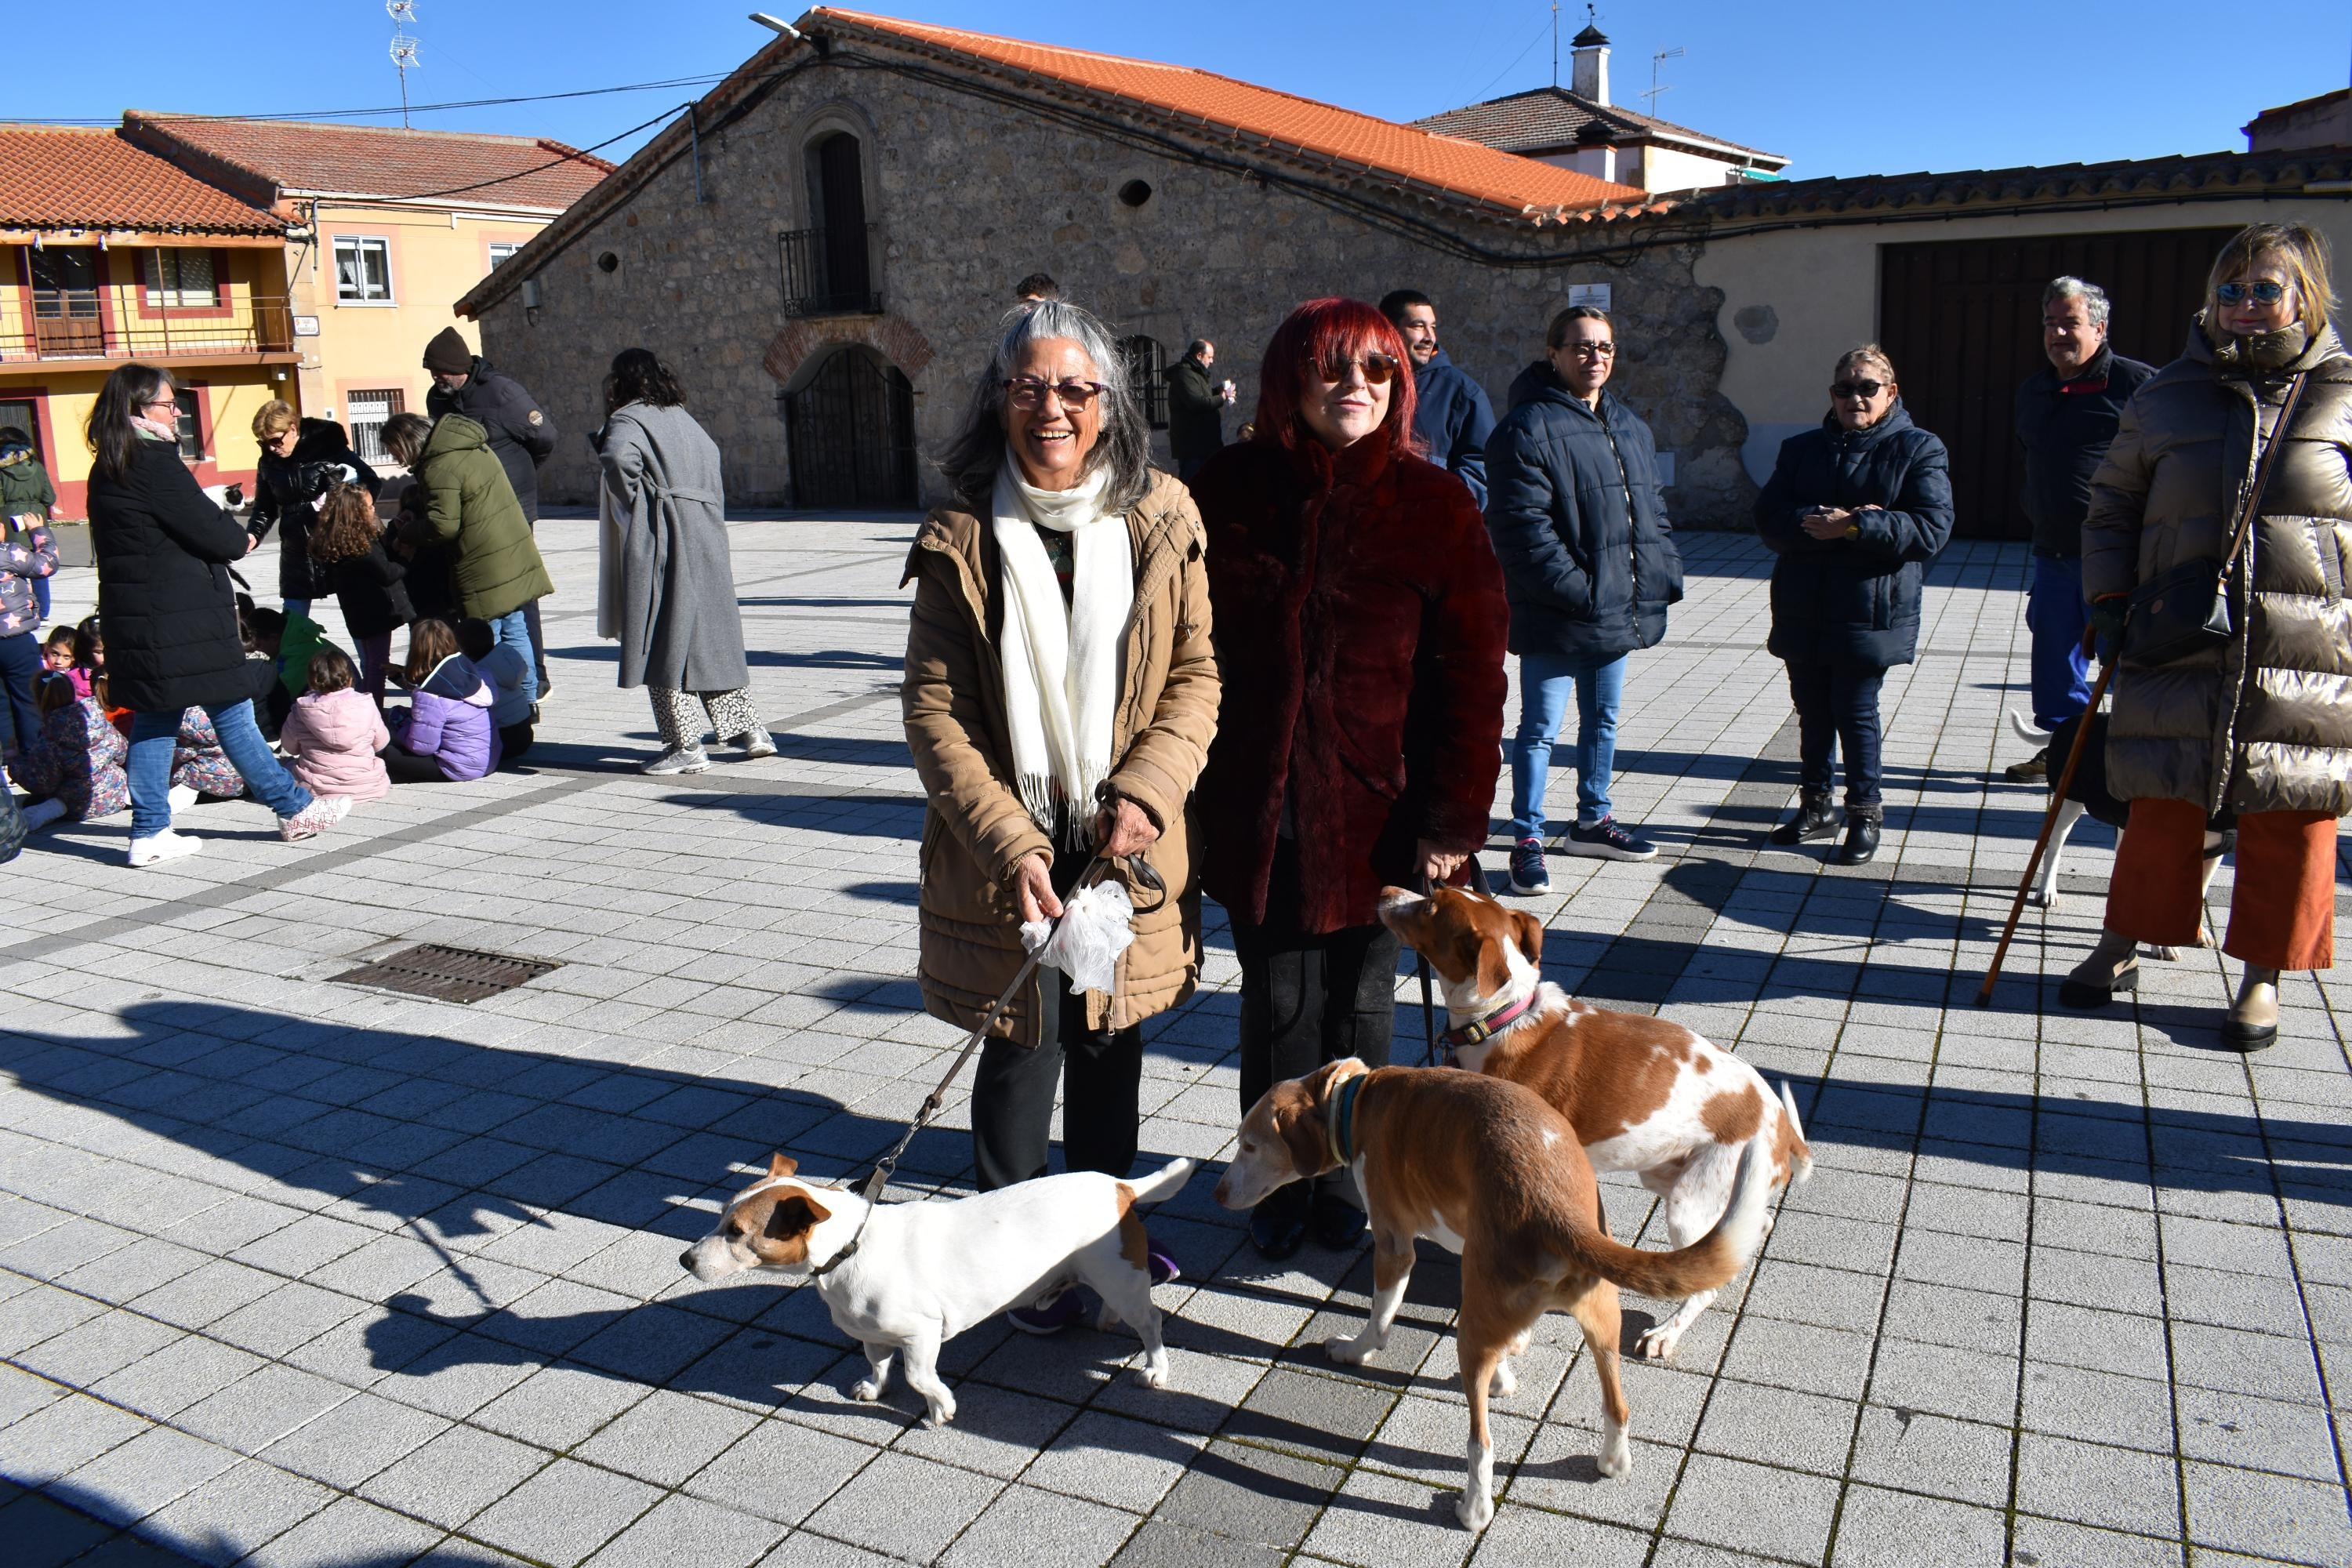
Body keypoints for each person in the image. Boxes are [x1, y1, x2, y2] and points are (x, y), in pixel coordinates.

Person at [905, 298, 1219, 1325]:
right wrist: (1008, 842)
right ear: (999, 398)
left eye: (1076, 389)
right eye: (1031, 386)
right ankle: (1010, 1254)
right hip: (1013, 841)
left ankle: (1107, 1239)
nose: (1054, 408)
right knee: (1020, 1045)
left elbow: (1196, 676)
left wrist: (1150, 792)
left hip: (1124, 837)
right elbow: (935, 710)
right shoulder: (961, 534)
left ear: (1110, 403)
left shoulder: (1163, 515)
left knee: (1109, 1039)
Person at [1191, 296, 1508, 1258]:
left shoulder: (1435, 504)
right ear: (1293, 376)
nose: (1356, 388)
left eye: (1377, 371)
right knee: (1276, 1006)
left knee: (1360, 1008)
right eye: (1334, 369)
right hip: (1262, 809)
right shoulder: (1227, 489)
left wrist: (1454, 818)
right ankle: (1279, 1180)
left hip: (1384, 815)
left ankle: (1356, 1187)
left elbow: (1474, 676)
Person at [2067, 222, 2352, 1050]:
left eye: (2266, 289)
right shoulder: (2166, 394)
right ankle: (2125, 942)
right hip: (2179, 629)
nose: (2246, 307)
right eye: (2231, 291)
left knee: (2291, 806)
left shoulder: (2342, 390)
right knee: (2161, 794)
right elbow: (2112, 504)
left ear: (2306, 294)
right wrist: (2109, 596)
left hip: (2308, 642)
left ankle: (2262, 974)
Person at [82, 363, 347, 866]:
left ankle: (149, 831)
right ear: (140, 407)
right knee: (233, 711)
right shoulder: (153, 460)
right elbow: (216, 533)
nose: (176, 410)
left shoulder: (110, 462)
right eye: (167, 403)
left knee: (156, 722)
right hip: (181, 619)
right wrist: (236, 536)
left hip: (142, 619)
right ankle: (294, 808)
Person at [1485, 304, 1683, 893]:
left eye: (1605, 348)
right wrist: (1582, 589)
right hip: (1559, 610)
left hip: (1615, 608)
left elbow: (1653, 510)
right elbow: (1521, 531)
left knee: (1604, 720)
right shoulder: (1525, 428)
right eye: (1581, 347)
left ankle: (1593, 820)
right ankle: (1526, 837)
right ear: (1554, 353)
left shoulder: (1629, 426)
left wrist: (1664, 570)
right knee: (1539, 730)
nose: (1595, 357)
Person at [1755, 346, 1955, 866]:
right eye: (1845, 388)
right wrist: (1813, 519)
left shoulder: (1918, 449)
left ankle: (1864, 813)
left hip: (1870, 608)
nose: (1855, 398)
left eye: (1867, 387)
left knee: (1855, 711)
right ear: (1832, 395)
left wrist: (1857, 526)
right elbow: (1767, 517)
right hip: (1803, 604)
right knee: (1813, 711)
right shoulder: (1801, 449)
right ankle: (1816, 807)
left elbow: (1931, 529)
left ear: (1891, 393)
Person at [592, 348, 773, 775]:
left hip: (663, 534)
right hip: (705, 532)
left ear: (620, 384)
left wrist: (638, 502)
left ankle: (684, 745)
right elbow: (713, 459)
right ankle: (751, 732)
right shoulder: (684, 419)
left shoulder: (627, 420)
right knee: (711, 635)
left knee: (663, 634)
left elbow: (617, 459)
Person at [2006, 278, 2156, 781]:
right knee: (2054, 656)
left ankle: (2134, 757)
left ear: (2099, 327)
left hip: (2119, 557)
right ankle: (2063, 751)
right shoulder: (2035, 389)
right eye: (2050, 323)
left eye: (2069, 323)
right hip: (2052, 554)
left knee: (2127, 659)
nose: (2057, 334)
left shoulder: (2138, 387)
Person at [382, 410, 552, 706]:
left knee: (489, 637)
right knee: (515, 627)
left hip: (483, 559)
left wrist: (408, 532)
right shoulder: (466, 446)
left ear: (406, 442)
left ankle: (501, 705)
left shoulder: (438, 465)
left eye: (394, 451)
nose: (396, 459)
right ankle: (526, 701)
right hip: (510, 546)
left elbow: (444, 524)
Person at [423, 326, 557, 696]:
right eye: (431, 373)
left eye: (440, 371)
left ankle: (535, 676)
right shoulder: (439, 400)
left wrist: (519, 473)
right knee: (482, 594)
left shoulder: (501, 392)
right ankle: (490, 672)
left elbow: (545, 438)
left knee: (517, 593)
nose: (436, 379)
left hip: (512, 505)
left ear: (459, 367)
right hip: (469, 510)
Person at [249, 401, 378, 623]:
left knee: (359, 618)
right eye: (263, 442)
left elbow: (370, 481)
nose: (271, 448)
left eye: (276, 440)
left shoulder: (329, 447)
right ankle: (288, 659)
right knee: (292, 623)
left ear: (293, 430)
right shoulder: (268, 462)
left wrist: (346, 504)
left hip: (339, 543)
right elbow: (264, 506)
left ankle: (371, 660)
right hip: (296, 549)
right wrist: (252, 535)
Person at [1381, 289, 1497, 507]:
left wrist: (1440, 510)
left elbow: (1483, 469)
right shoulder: (1368, 384)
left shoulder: (1463, 394)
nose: (1430, 337)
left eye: (1432, 327)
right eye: (1418, 326)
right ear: (1389, 329)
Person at [308, 481, 412, 702]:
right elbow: (386, 572)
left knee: (372, 661)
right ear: (353, 512)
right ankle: (374, 715)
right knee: (378, 664)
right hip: (375, 611)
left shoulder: (338, 540)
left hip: (356, 611)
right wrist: (405, 559)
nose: (374, 509)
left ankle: (369, 709)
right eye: (369, 506)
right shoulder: (361, 543)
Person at [383, 618, 500, 783]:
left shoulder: (430, 695)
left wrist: (400, 729)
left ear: (416, 650)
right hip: (489, 759)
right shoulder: (471, 673)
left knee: (382, 748)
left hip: (458, 767)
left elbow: (422, 747)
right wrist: (398, 677)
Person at [280, 648, 390, 804]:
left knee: (285, 767)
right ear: (350, 679)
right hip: (367, 785)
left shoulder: (301, 709)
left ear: (311, 681)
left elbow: (290, 747)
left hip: (317, 787)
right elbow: (381, 742)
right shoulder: (366, 704)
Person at [16, 676, 127, 831]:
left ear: (38, 700)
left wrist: (17, 767)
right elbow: (122, 753)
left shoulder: (49, 736)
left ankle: (55, 807)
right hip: (116, 793)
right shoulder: (98, 721)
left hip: (77, 803)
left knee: (33, 800)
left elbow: (43, 783)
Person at [0, 484, 56, 761]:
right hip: (16, 640)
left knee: (0, 704)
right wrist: (38, 532)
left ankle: (9, 757)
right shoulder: (8, 553)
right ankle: (35, 756)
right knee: (28, 698)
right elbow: (46, 565)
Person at [455, 619, 535, 763]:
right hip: (526, 734)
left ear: (462, 647)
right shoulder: (507, 655)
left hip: (503, 741)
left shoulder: (478, 673)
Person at [0, 426, 56, 623]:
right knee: (40, 567)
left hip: (11, 524)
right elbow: (50, 497)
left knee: (14, 568)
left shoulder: (1, 469)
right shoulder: (38, 467)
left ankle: (20, 608)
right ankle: (44, 611)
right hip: (37, 521)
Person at [1164, 339, 1232, 483]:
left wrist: (1217, 391)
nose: (1212, 361)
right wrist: (1222, 397)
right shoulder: (1185, 375)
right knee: (1193, 487)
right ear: (1199, 356)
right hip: (1194, 448)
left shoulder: (1196, 373)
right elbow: (1197, 403)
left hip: (1205, 445)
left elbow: (1202, 396)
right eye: (1210, 357)